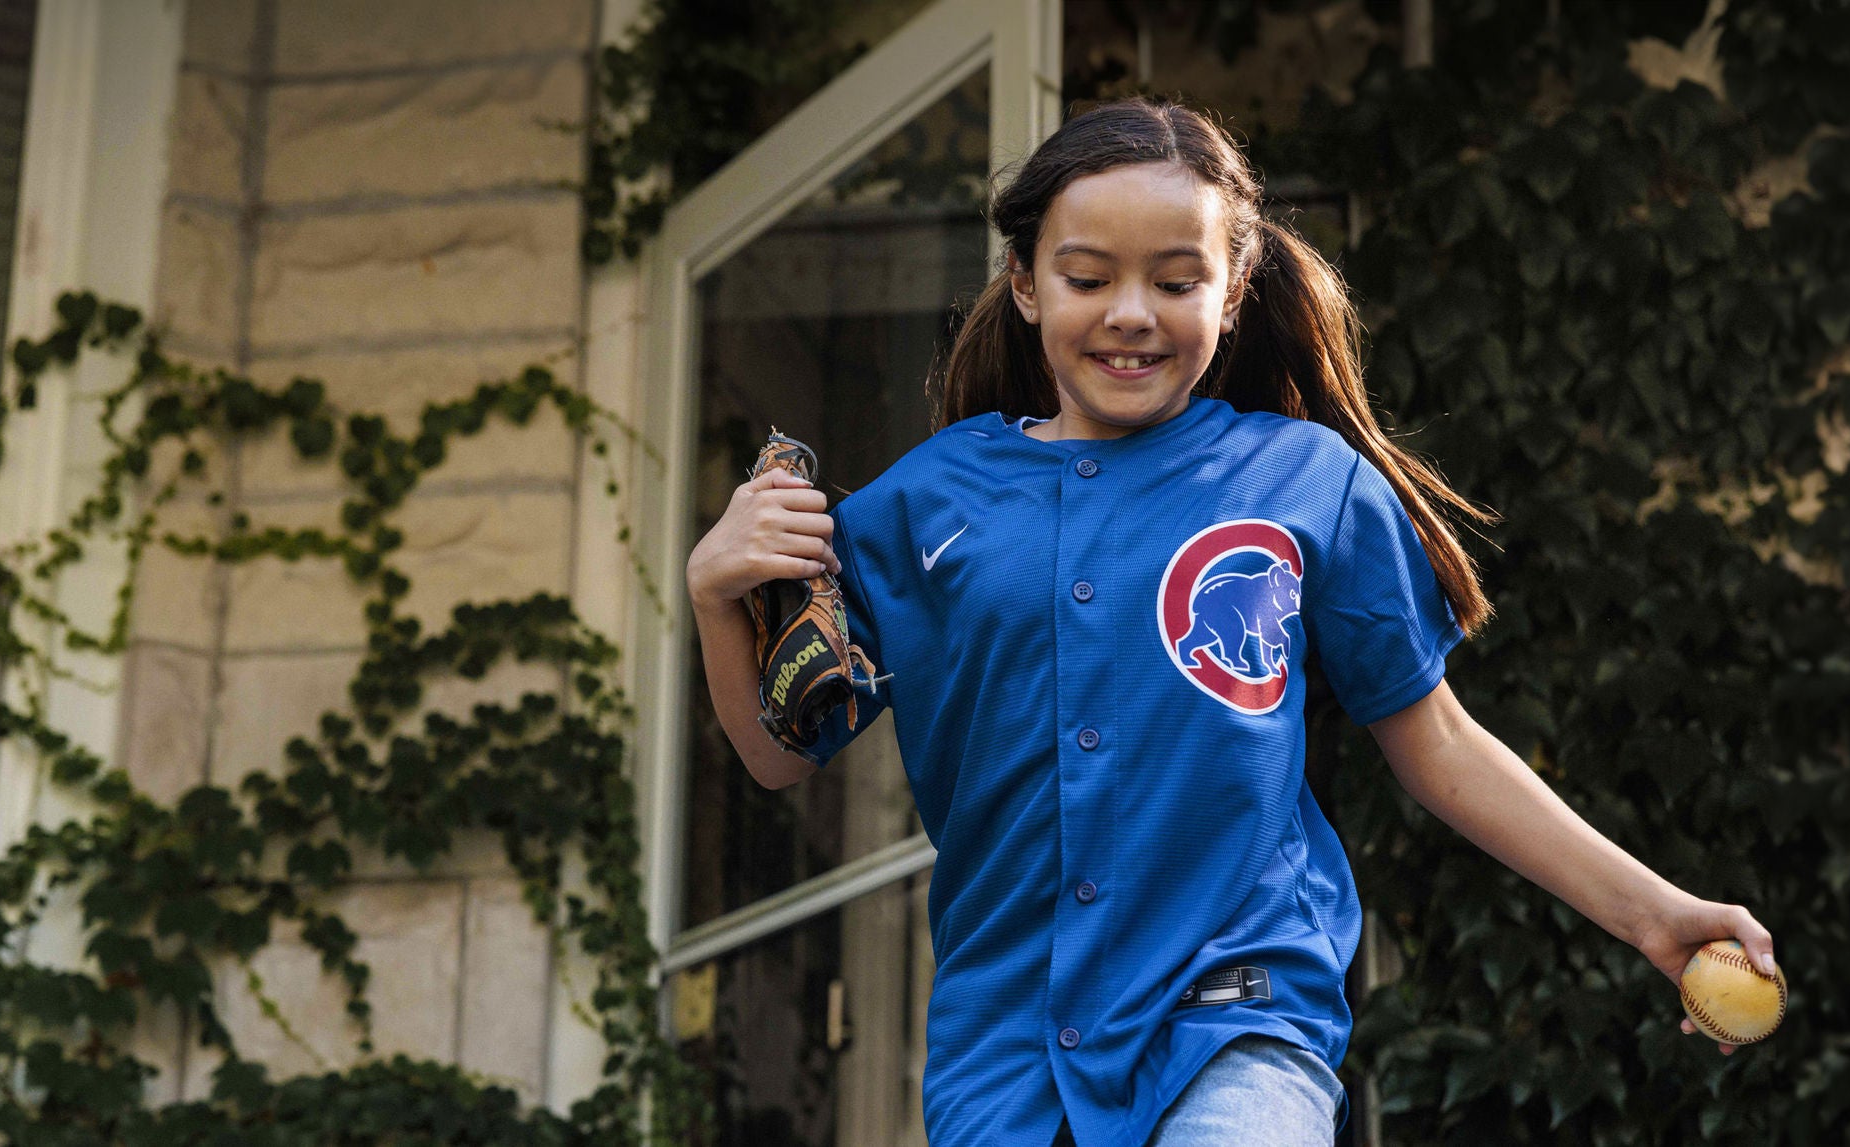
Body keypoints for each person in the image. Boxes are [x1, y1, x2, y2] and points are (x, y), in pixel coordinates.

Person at [685, 97, 1773, 1147]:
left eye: (1174, 279)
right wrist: (714, 594)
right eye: (1084, 276)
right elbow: (780, 758)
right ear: (1022, 282)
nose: (1128, 313)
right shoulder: (920, 507)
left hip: (1237, 1009)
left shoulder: (1306, 482)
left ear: (1234, 286)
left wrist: (1650, 912)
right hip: (1003, 1054)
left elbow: (1435, 744)